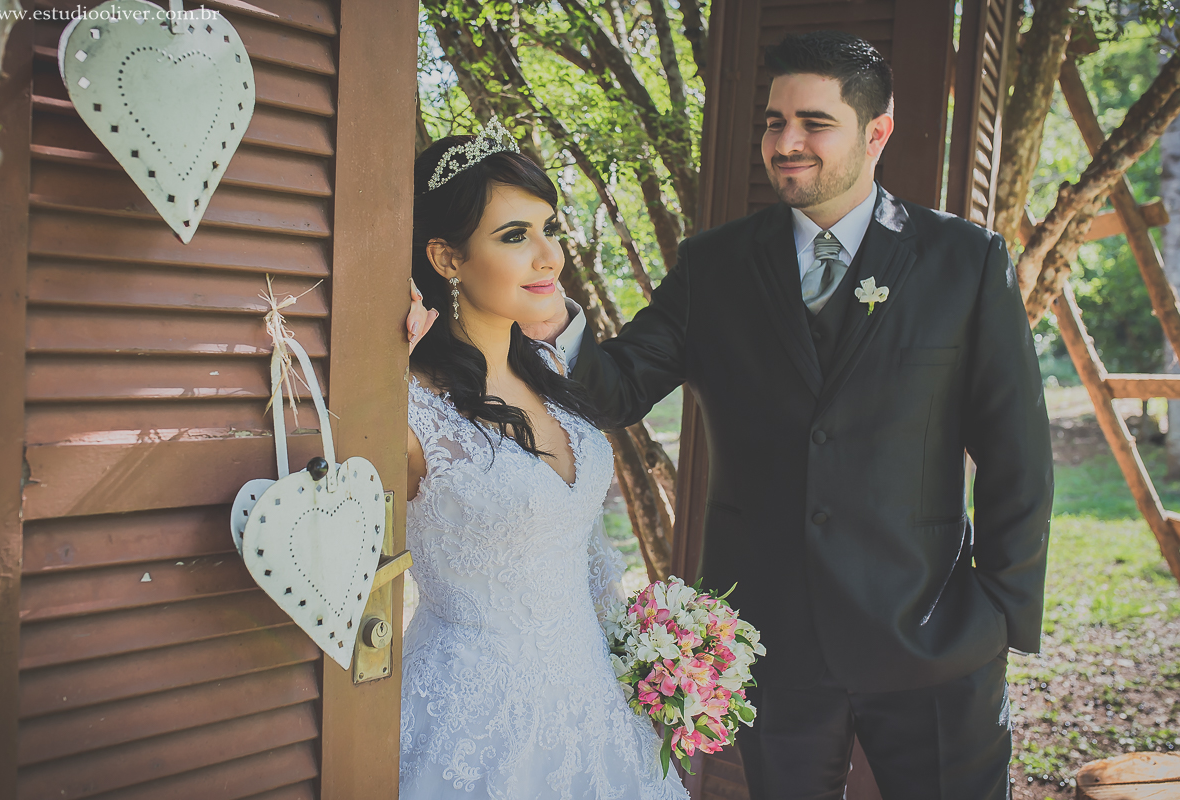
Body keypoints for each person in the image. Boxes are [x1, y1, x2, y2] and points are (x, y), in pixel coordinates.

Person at [411, 30, 1055, 800]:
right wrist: (551, 322)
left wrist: (997, 618)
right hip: (773, 647)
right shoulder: (714, 264)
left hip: (935, 644)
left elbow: (1019, 455)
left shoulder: (965, 262)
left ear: (876, 133)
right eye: (774, 122)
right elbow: (616, 388)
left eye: (813, 123)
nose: (785, 143)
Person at [398, 120, 690, 799]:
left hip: (594, 699)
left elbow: (588, 552)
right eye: (513, 236)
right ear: (446, 258)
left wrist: (647, 656)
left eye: (548, 228)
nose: (548, 256)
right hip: (471, 722)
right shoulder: (406, 409)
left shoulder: (558, 371)